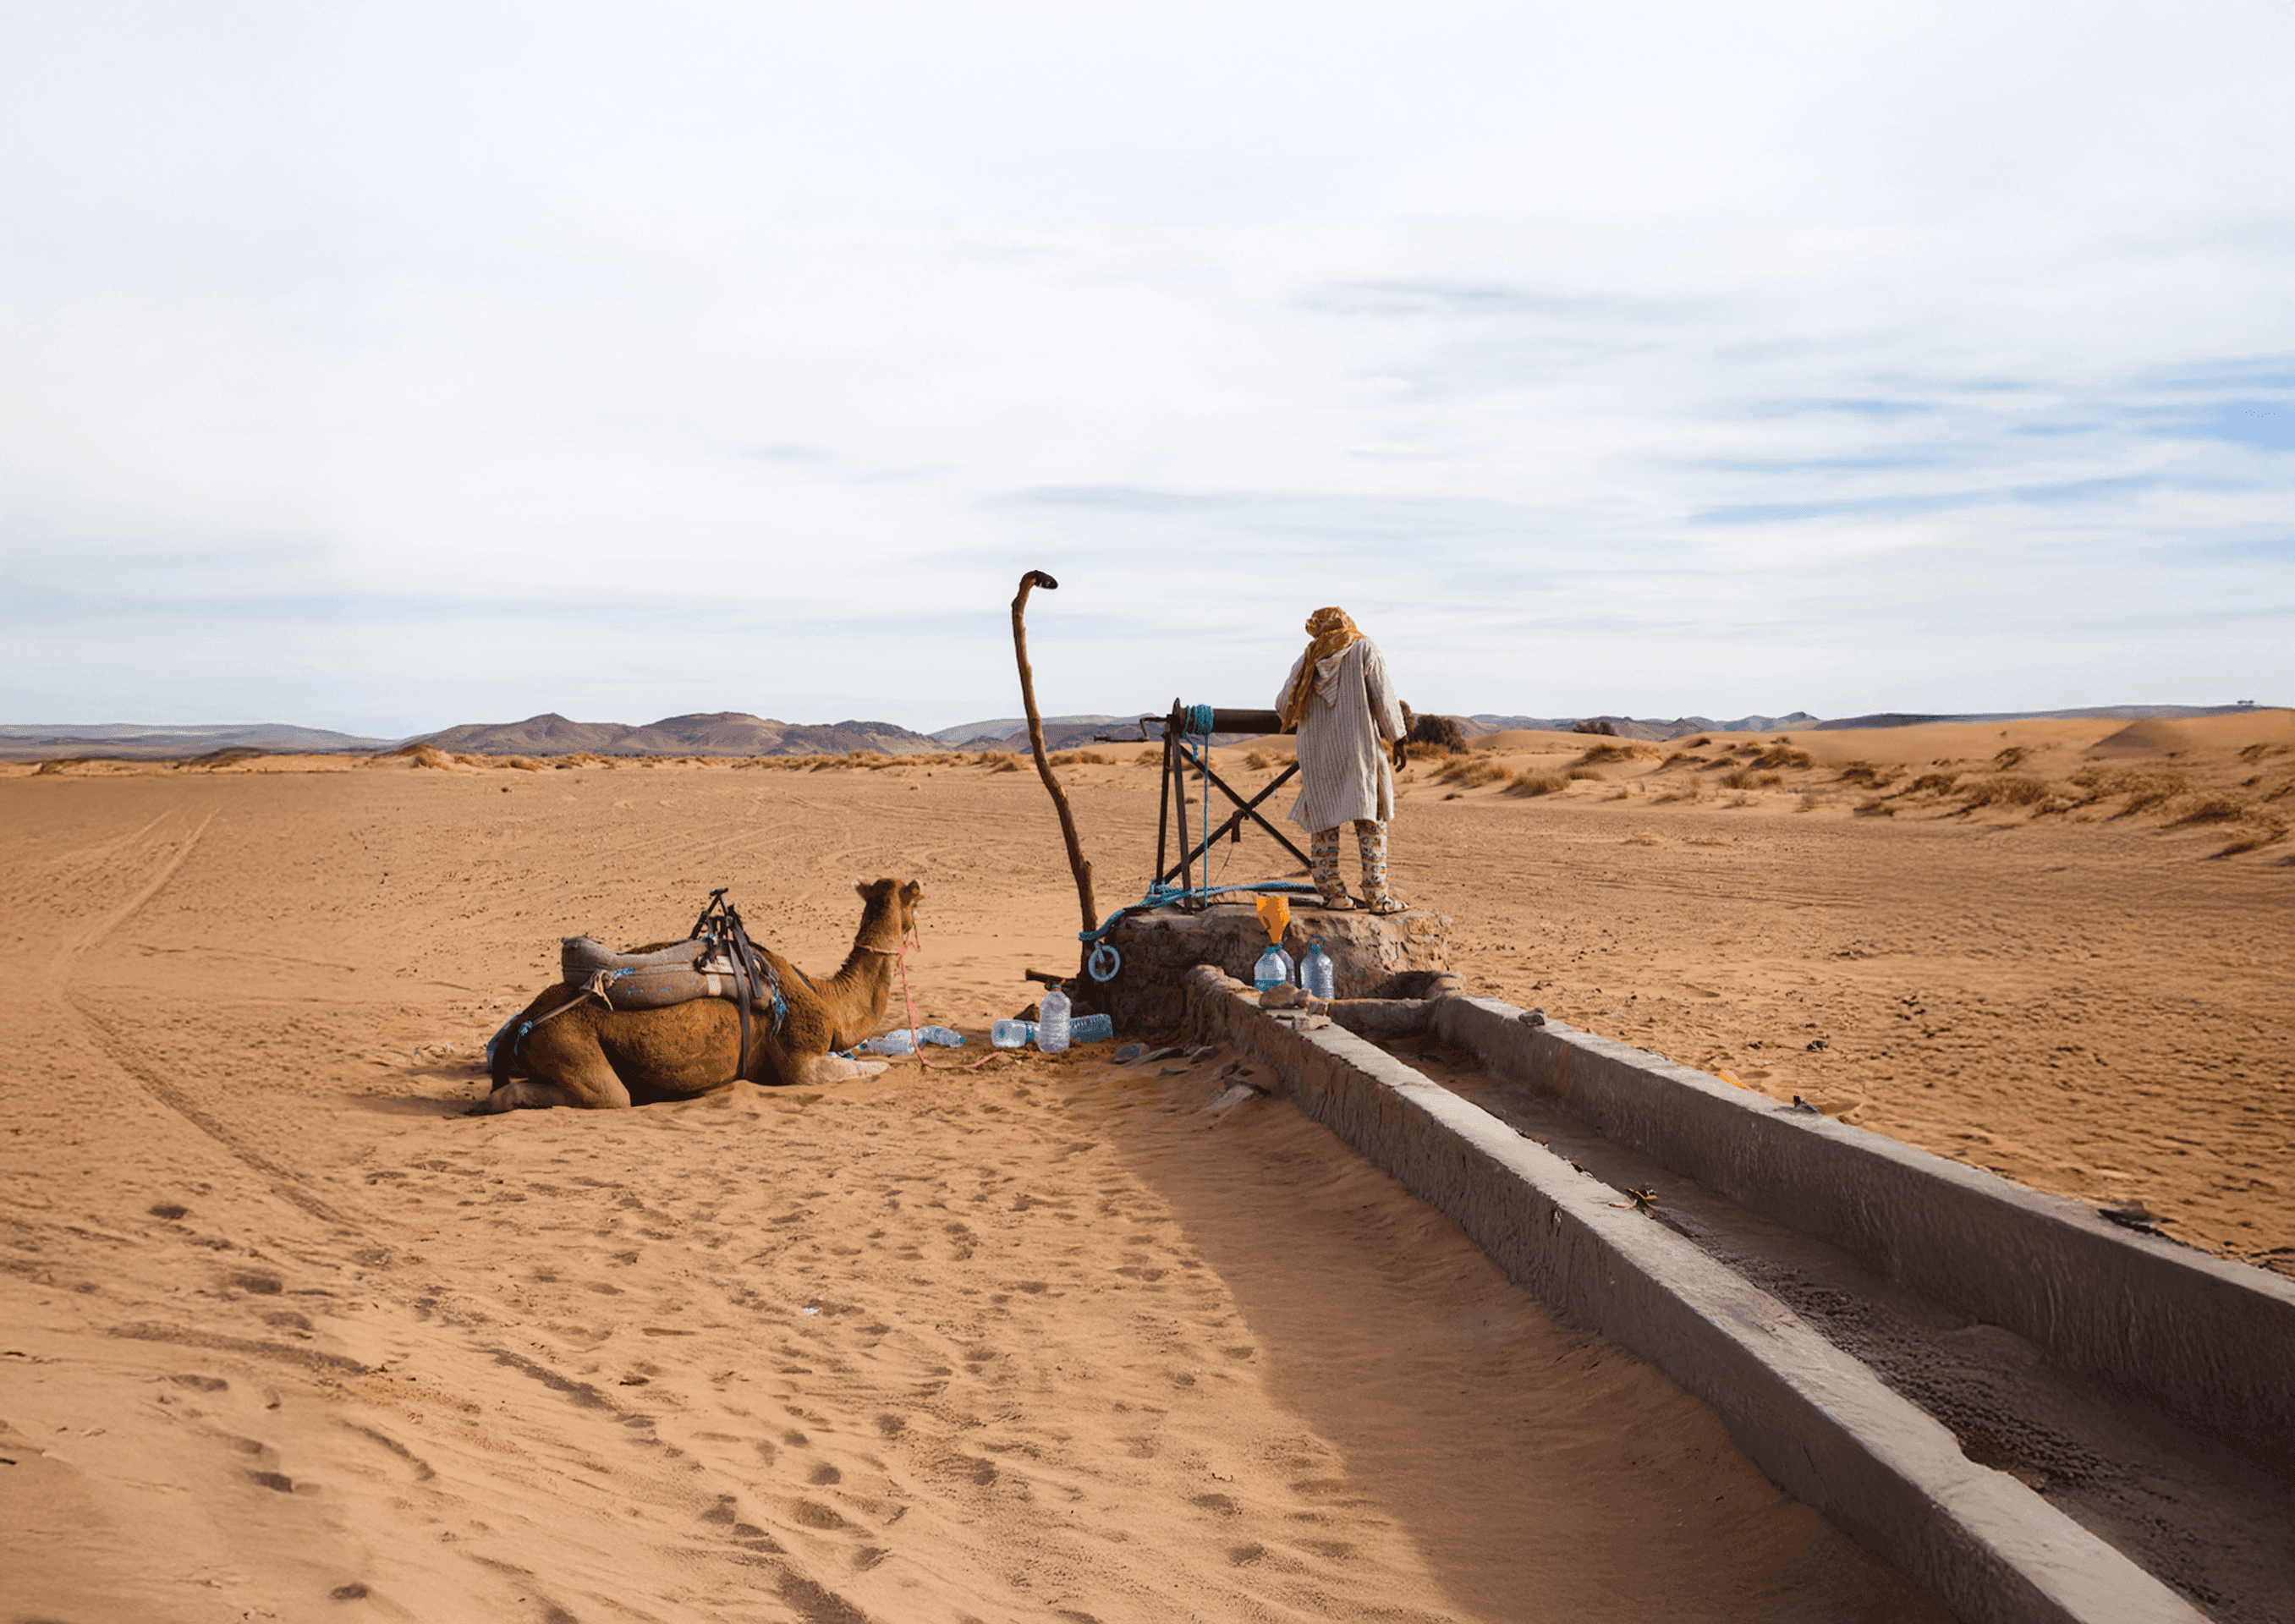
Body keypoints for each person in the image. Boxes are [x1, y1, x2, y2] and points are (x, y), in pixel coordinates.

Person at [1276, 606, 1408, 913]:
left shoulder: (1308, 660)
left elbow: (1284, 706)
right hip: (1359, 750)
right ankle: (1377, 897)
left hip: (1317, 753)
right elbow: (1383, 698)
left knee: (1323, 825)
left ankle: (1333, 895)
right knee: (1371, 821)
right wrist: (1398, 738)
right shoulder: (1364, 648)